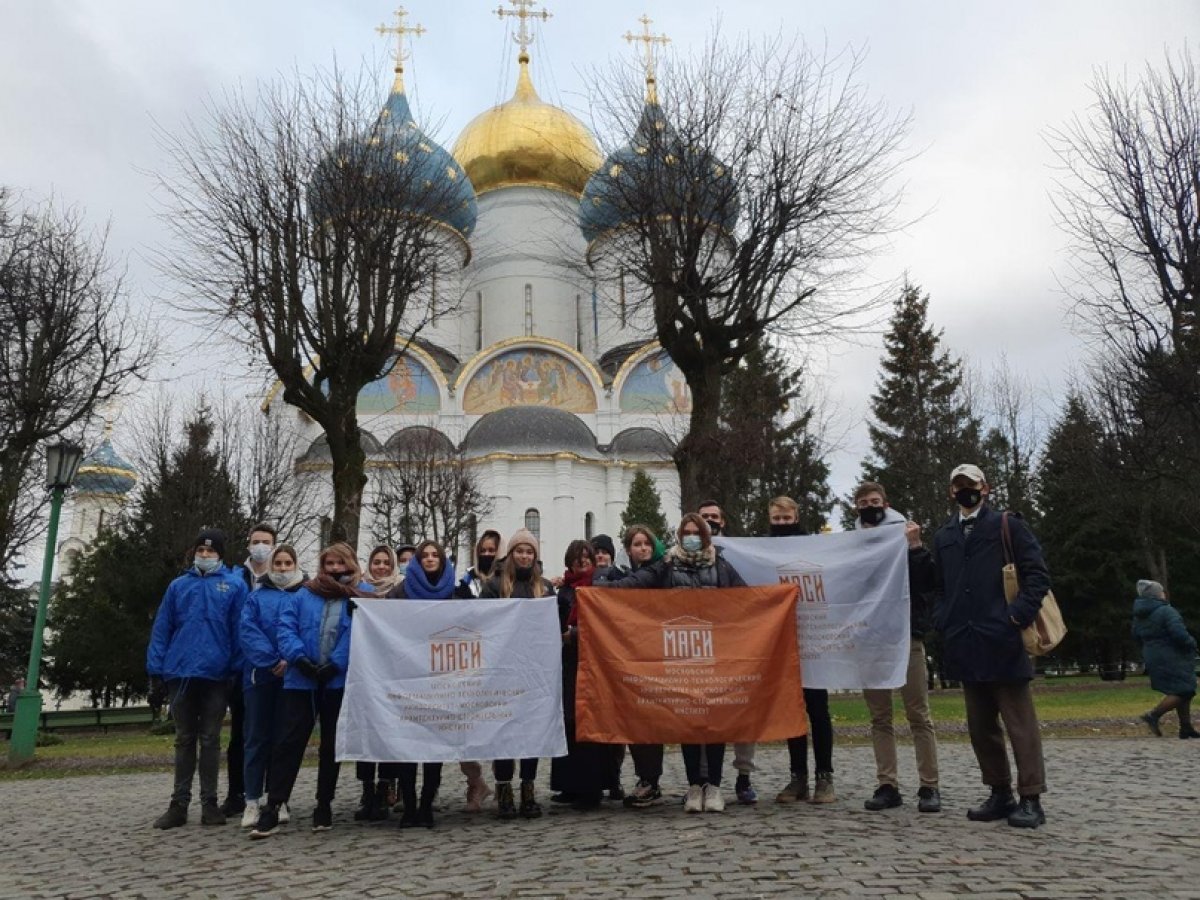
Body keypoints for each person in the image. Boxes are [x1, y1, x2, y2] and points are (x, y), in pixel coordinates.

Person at [931, 463, 1051, 829]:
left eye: (970, 484)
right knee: (980, 725)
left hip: (1003, 639)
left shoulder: (1006, 524)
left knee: (1019, 723)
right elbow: (939, 585)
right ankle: (999, 791)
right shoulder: (945, 534)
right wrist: (943, 619)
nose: (964, 490)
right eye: (957, 485)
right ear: (951, 491)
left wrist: (1014, 617)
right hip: (965, 641)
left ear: (985, 487)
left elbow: (1037, 575)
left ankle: (1031, 795)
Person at [609, 514, 746, 813]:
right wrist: (603, 587)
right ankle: (695, 784)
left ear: (706, 536)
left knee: (714, 721)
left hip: (713, 651)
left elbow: (745, 599)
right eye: (687, 533)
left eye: (697, 533)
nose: (692, 537)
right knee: (688, 719)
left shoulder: (720, 565)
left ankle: (715, 786)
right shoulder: (669, 564)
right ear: (679, 536)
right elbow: (638, 582)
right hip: (681, 652)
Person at [249, 542, 368, 839]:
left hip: (335, 680)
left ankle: (323, 804)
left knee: (330, 745)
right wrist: (299, 658)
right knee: (288, 743)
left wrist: (336, 663)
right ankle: (274, 804)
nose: (335, 569)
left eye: (340, 564)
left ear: (350, 565)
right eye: (330, 564)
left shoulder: (357, 597)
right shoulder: (304, 593)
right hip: (301, 679)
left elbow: (356, 632)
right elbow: (285, 628)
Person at [147, 529, 247, 829]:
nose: (205, 556)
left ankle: (210, 803)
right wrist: (156, 669)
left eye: (210, 552)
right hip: (181, 671)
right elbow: (162, 628)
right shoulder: (178, 586)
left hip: (216, 673)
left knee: (211, 738)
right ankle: (179, 803)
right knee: (184, 738)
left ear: (220, 554)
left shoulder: (234, 586)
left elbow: (239, 630)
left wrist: (234, 668)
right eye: (200, 552)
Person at [852, 483, 942, 813]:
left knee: (919, 714)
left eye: (874, 502)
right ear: (856, 509)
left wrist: (916, 546)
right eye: (863, 503)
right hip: (870, 639)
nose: (869, 507)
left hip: (907, 637)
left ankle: (929, 786)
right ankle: (887, 783)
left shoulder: (904, 536)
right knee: (880, 717)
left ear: (886, 504)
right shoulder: (852, 544)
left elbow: (928, 582)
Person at [480, 529, 556, 820]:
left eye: (529, 552)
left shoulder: (545, 588)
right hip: (503, 671)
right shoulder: (495, 586)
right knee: (503, 732)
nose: (524, 556)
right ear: (510, 555)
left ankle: (528, 786)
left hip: (536, 672)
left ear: (535, 556)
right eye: (519, 551)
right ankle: (503, 788)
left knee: (531, 731)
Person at [766, 496, 837, 807]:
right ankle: (798, 777)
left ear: (796, 516)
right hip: (782, 643)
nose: (782, 524)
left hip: (814, 640)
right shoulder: (763, 551)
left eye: (787, 518)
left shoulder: (813, 546)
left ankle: (825, 776)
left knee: (818, 711)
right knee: (793, 711)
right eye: (777, 519)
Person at [596, 525, 667, 809]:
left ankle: (651, 779)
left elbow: (633, 585)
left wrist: (598, 588)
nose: (643, 549)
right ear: (629, 549)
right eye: (637, 544)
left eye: (646, 544)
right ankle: (646, 779)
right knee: (637, 716)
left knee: (652, 718)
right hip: (635, 652)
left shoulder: (659, 569)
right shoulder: (628, 573)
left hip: (655, 651)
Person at [551, 540, 623, 811]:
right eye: (576, 558)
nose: (581, 561)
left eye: (586, 557)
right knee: (569, 722)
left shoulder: (602, 584)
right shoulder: (564, 591)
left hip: (594, 662)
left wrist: (573, 635)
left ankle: (592, 787)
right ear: (569, 562)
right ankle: (569, 784)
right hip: (568, 662)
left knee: (590, 722)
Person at [391, 540, 459, 827]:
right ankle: (408, 805)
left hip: (441, 678)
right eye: (425, 556)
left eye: (435, 555)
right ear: (417, 561)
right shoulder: (400, 592)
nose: (430, 559)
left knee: (434, 747)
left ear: (442, 561)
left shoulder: (456, 593)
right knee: (408, 746)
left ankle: (427, 804)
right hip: (409, 676)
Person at [695, 500, 757, 804]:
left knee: (741, 710)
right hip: (696, 647)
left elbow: (746, 595)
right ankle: (704, 779)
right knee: (703, 714)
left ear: (723, 522)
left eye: (714, 517)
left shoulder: (733, 557)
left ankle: (743, 776)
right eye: (704, 517)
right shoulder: (680, 559)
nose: (710, 522)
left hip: (729, 644)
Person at [238, 544, 304, 828]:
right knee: (256, 739)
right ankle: (252, 800)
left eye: (288, 563)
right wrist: (270, 660)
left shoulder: (303, 595)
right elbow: (248, 631)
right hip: (260, 677)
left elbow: (306, 629)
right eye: (278, 563)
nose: (282, 568)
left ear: (295, 565)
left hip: (292, 677)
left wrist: (290, 659)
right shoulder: (256, 597)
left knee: (283, 741)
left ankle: (278, 798)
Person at [221, 523, 277, 819]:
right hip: (240, 666)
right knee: (241, 735)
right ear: (248, 545)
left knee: (269, 733)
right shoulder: (235, 579)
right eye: (256, 541)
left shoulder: (282, 579)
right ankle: (236, 793)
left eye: (266, 542)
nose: (260, 547)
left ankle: (270, 793)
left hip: (271, 667)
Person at [353, 545, 404, 822]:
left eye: (386, 562)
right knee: (366, 733)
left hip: (393, 674)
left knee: (389, 734)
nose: (382, 567)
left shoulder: (400, 592)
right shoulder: (360, 592)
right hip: (366, 672)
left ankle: (385, 787)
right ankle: (367, 789)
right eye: (377, 562)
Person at [452, 529, 503, 810]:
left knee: (497, 722)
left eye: (491, 550)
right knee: (462, 727)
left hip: (497, 660)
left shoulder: (505, 579)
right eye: (482, 550)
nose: (486, 554)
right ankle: (475, 781)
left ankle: (502, 783)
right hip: (469, 660)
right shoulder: (466, 580)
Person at [582, 532, 625, 801]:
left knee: (616, 723)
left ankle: (615, 777)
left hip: (615, 657)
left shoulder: (621, 578)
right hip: (589, 658)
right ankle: (595, 779)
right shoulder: (583, 581)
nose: (601, 556)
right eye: (596, 552)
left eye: (604, 552)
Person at [1133, 579, 1199, 739]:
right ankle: (1153, 715)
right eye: (1161, 591)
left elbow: (1135, 635)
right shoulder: (1167, 611)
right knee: (1185, 689)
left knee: (1181, 689)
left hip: (1153, 654)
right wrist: (1192, 643)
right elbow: (1179, 634)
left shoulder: (1139, 615)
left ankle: (1186, 727)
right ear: (1157, 594)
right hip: (1172, 654)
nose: (1164, 593)